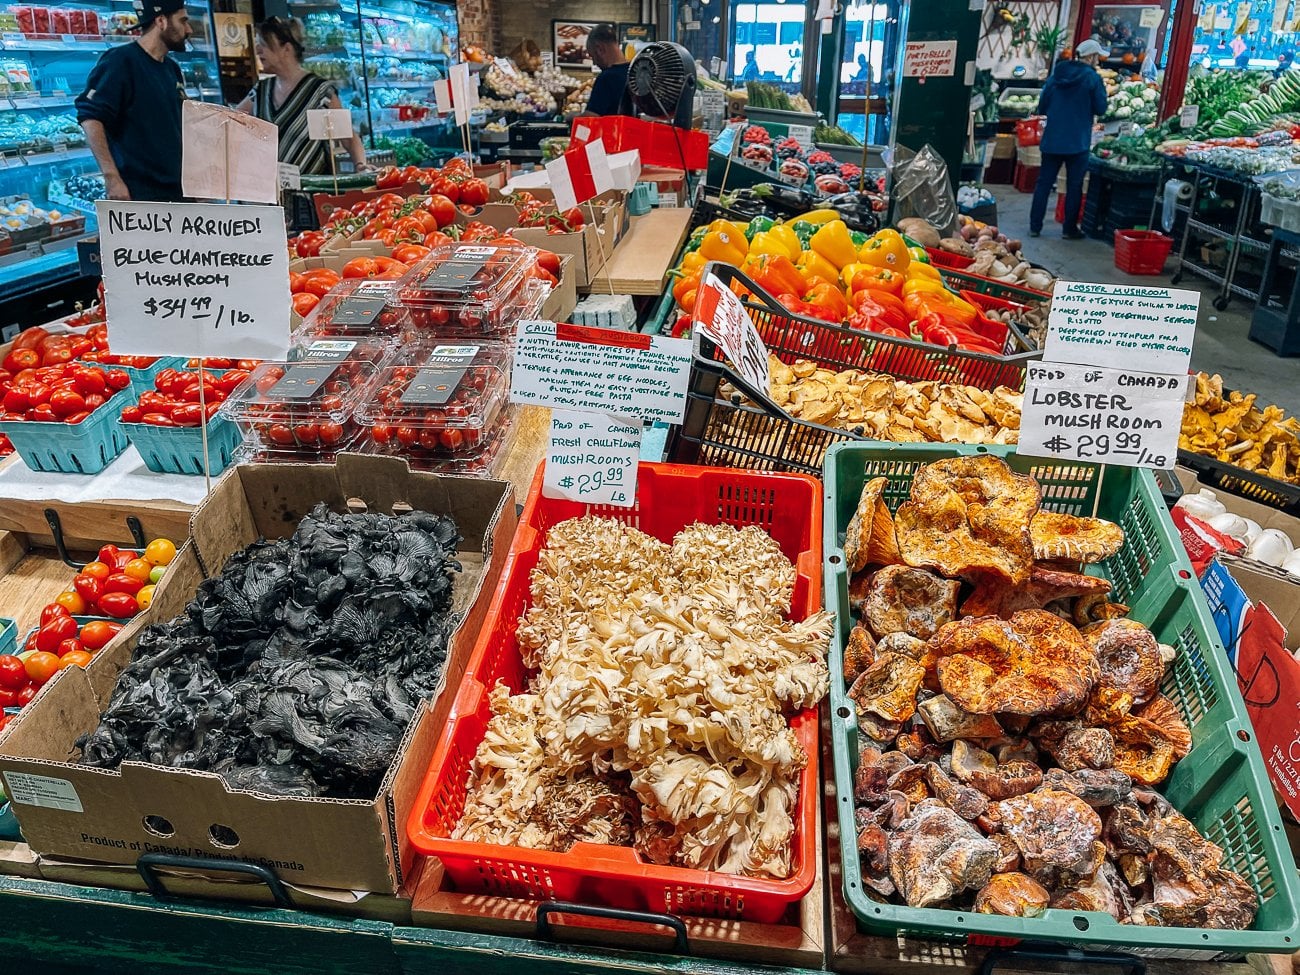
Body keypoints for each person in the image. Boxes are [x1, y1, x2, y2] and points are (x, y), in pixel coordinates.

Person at [75, 0, 192, 201]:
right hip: (139, 194)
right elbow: (91, 118)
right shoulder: (121, 61)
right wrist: (112, 178)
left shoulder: (171, 68)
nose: (188, 29)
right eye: (183, 21)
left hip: (177, 190)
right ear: (161, 21)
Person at [234, 17, 365, 175]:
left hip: (307, 194)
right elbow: (232, 120)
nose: (257, 50)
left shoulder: (320, 92)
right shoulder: (261, 90)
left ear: (287, 49)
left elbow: (348, 138)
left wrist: (361, 166)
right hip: (269, 193)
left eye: (264, 44)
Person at [1029, 38, 1108, 240]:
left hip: (1053, 138)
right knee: (1074, 185)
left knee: (1044, 183)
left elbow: (1043, 106)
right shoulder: (1092, 79)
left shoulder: (1056, 75)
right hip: (1078, 141)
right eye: (1096, 56)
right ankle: (1069, 229)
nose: (1097, 60)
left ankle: (1035, 226)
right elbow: (1101, 108)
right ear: (1089, 57)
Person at [581, 23, 631, 116]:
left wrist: (572, 117)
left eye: (593, 57)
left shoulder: (606, 79)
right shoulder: (635, 72)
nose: (594, 63)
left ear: (600, 49)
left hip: (613, 130)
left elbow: (591, 117)